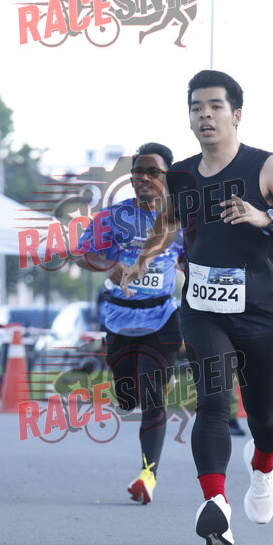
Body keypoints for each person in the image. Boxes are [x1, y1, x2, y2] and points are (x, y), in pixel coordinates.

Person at [120, 70, 273, 545]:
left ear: (236, 114)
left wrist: (264, 218)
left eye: (214, 106)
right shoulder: (181, 176)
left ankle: (263, 466)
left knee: (264, 415)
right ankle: (216, 504)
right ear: (189, 118)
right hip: (203, 308)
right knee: (212, 402)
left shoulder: (265, 166)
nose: (205, 115)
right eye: (196, 108)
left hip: (261, 312)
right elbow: (167, 226)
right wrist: (143, 258)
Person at [76, 142, 184, 503]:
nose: (143, 178)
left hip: (162, 318)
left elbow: (193, 259)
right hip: (120, 319)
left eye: (153, 172)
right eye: (138, 171)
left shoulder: (178, 220)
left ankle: (147, 475)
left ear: (168, 177)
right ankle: (132, 390)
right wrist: (111, 265)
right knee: (126, 398)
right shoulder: (113, 217)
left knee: (153, 397)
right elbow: (82, 254)